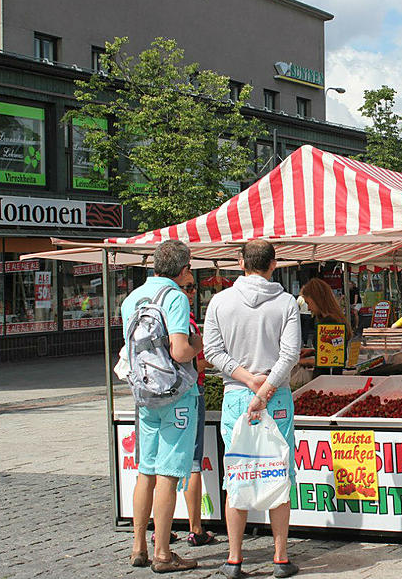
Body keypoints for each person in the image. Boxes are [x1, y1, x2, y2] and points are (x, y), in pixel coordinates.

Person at [203, 240, 301, 579]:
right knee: (279, 472)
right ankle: (280, 556)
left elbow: (212, 351)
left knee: (238, 473)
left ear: (240, 262)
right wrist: (265, 388)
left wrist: (246, 379)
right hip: (276, 398)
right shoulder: (286, 302)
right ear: (274, 264)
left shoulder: (219, 302)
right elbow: (290, 355)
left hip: (236, 396)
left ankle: (234, 558)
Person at [120, 240, 201, 573]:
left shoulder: (131, 299)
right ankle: (164, 553)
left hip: (144, 394)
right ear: (183, 270)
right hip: (176, 396)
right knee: (168, 475)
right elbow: (181, 351)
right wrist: (199, 343)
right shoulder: (175, 298)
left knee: (146, 472)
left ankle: (139, 546)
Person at [180, 272, 216, 548]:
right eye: (189, 287)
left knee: (160, 466)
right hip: (190, 393)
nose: (193, 293)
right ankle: (195, 527)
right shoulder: (186, 321)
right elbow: (198, 364)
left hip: (160, 397)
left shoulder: (159, 316)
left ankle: (162, 528)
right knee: (193, 463)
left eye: (194, 287)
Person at [299, 278, 352, 378]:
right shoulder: (335, 319)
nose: (309, 308)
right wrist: (313, 351)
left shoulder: (329, 322)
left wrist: (303, 362)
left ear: (316, 299)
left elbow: (331, 359)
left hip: (326, 379)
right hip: (332, 378)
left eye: (308, 303)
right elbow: (334, 347)